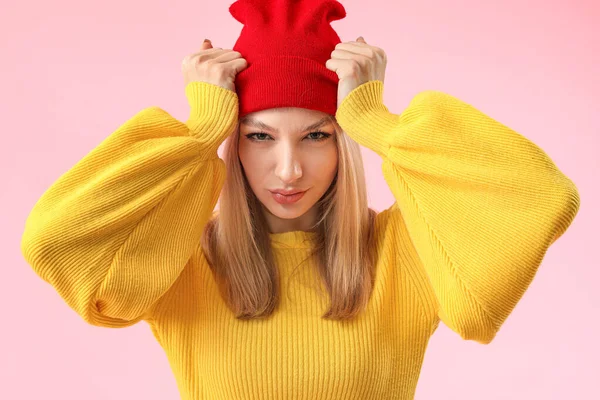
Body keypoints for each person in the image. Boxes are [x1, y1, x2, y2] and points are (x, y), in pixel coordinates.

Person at [20, 0, 580, 399]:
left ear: (344, 141)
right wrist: (199, 132)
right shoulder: (181, 261)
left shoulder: (404, 252)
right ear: (233, 140)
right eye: (258, 136)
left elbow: (541, 196)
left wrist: (375, 121)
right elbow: (52, 241)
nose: (288, 169)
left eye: (318, 135)